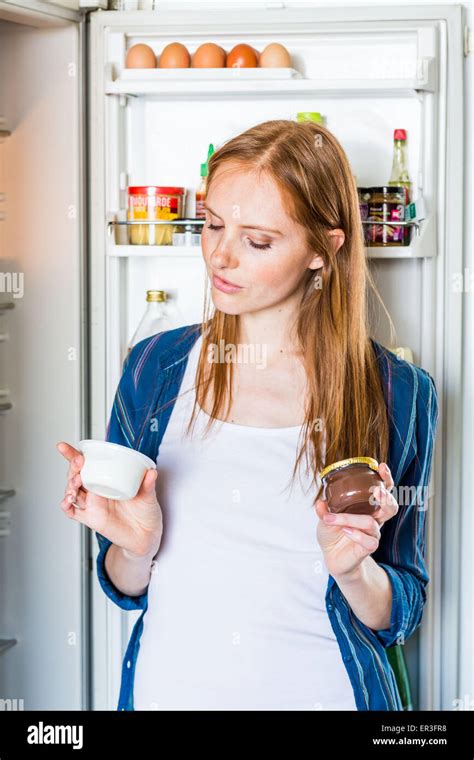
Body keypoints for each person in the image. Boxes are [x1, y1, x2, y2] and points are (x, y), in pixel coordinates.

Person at [57, 120, 438, 711]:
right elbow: (126, 587)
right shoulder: (154, 367)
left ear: (324, 249)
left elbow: (402, 609)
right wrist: (136, 546)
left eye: (257, 241)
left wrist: (353, 570)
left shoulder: (398, 392)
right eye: (212, 224)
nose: (221, 255)